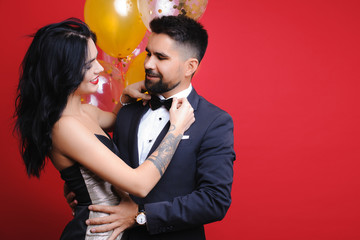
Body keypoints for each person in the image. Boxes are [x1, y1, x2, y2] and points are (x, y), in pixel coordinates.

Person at [14, 18, 195, 240]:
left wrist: (125, 95)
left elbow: (116, 120)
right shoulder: (64, 127)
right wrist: (176, 130)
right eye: (89, 64)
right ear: (63, 72)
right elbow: (139, 185)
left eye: (96, 59)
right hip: (94, 234)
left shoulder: (85, 112)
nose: (100, 68)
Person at [83, 16, 236, 240]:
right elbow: (110, 170)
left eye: (161, 57)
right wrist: (84, 191)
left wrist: (140, 216)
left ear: (190, 66)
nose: (148, 64)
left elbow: (214, 201)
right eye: (148, 53)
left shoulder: (215, 121)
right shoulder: (127, 110)